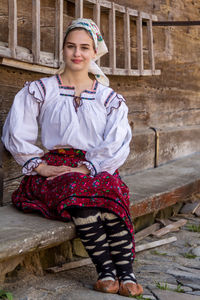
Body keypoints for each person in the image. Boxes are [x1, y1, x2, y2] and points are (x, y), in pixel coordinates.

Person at [1, 18, 143, 297]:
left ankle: (125, 273)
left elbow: (117, 142)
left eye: (84, 47)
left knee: (111, 191)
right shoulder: (41, 90)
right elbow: (15, 132)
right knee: (78, 191)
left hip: (95, 165)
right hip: (54, 170)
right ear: (63, 50)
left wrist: (89, 166)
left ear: (94, 52)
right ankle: (106, 271)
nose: (77, 53)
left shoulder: (108, 98)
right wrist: (39, 167)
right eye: (71, 46)